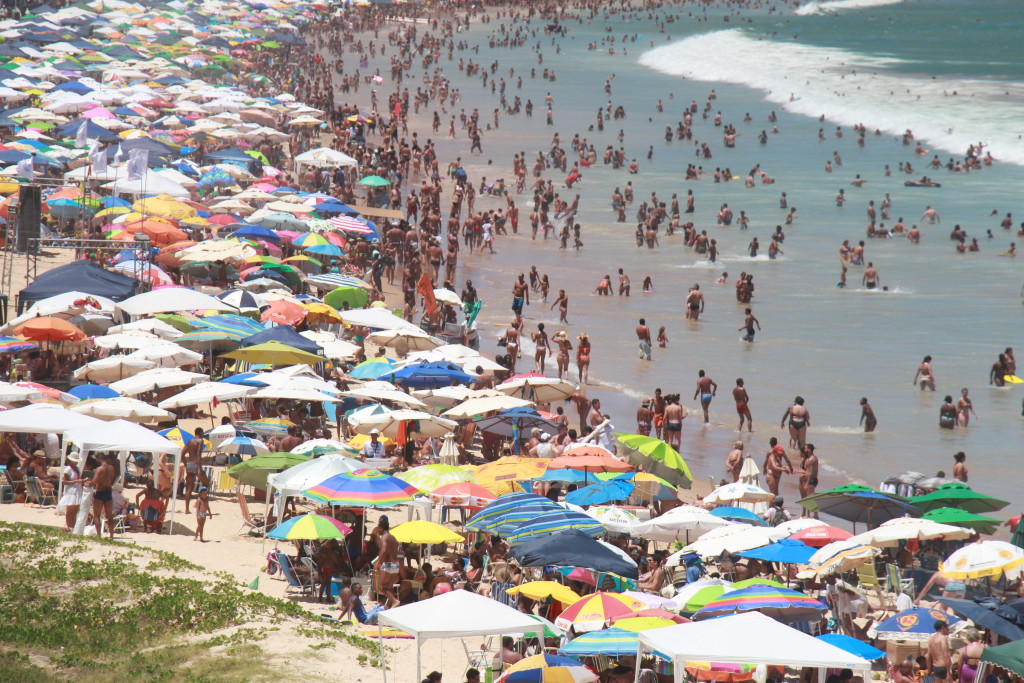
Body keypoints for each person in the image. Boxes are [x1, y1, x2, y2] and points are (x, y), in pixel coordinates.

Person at [372, 515, 400, 608]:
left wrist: (379, 563)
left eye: (378, 527)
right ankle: (390, 604)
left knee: (382, 587)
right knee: (389, 587)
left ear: (381, 528)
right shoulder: (393, 538)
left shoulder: (384, 537)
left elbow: (383, 550)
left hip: (387, 565)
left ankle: (394, 601)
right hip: (395, 564)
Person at [89, 453, 117, 539]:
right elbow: (112, 480)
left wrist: (86, 482)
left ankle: (98, 535)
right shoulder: (112, 468)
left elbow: (94, 482)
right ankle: (111, 535)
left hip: (100, 491)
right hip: (108, 491)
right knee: (109, 516)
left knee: (97, 515)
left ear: (98, 459)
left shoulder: (99, 469)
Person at [183, 426, 208, 514]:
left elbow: (182, 454)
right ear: (200, 433)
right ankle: (199, 502)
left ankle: (186, 509)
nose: (203, 435)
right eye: (203, 433)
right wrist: (199, 468)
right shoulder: (200, 441)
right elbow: (198, 455)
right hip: (196, 465)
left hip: (189, 464)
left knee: (189, 488)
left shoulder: (189, 441)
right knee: (206, 483)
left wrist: (186, 465)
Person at [58, 452, 84, 532]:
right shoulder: (68, 469)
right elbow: (64, 482)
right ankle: (70, 527)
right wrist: (76, 481)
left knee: (75, 511)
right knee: (69, 511)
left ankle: (73, 528)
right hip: (70, 491)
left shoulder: (77, 468)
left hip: (77, 490)